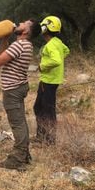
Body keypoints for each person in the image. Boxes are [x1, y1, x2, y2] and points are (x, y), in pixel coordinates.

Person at [0, 19, 41, 170]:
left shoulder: (20, 45)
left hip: (13, 90)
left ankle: (18, 159)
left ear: (26, 31)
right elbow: (3, 54)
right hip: (19, 87)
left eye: (24, 23)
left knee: (17, 123)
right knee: (21, 121)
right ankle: (24, 154)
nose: (20, 23)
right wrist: (5, 39)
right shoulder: (24, 45)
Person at [33, 16, 69, 145]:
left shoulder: (50, 45)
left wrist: (43, 66)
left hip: (48, 81)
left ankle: (47, 139)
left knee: (44, 110)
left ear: (46, 28)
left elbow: (56, 60)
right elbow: (66, 51)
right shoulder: (57, 42)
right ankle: (43, 137)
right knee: (43, 108)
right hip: (53, 80)